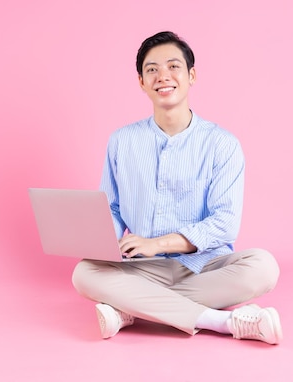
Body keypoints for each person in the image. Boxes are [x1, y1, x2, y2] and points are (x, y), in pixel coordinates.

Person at [71, 31, 282, 345]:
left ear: (191, 75)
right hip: (142, 268)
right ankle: (222, 321)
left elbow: (224, 223)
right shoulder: (122, 141)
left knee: (263, 267)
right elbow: (112, 208)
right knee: (83, 273)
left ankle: (131, 308)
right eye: (152, 70)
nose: (162, 76)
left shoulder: (222, 144)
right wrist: (105, 240)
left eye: (173, 67)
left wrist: (157, 243)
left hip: (204, 266)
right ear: (141, 82)